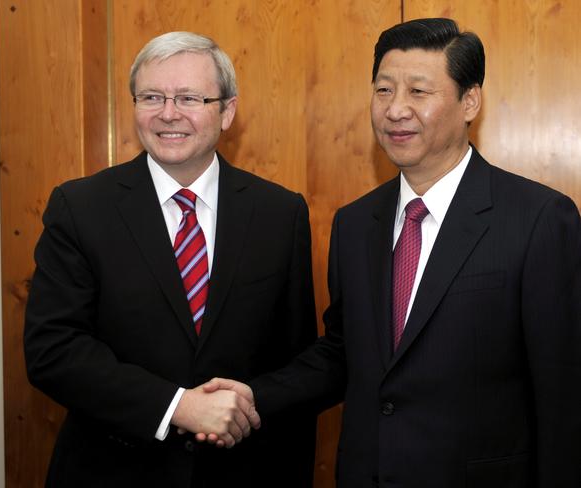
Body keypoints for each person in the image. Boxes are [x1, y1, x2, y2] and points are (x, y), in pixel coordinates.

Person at [204, 18, 581, 487]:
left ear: (470, 101)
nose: (395, 109)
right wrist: (254, 396)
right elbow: (345, 352)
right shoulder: (355, 223)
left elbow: (564, 395)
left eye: (418, 92)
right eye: (383, 90)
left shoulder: (539, 218)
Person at [24, 31, 319, 487]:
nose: (168, 113)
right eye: (152, 97)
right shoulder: (80, 208)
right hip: (113, 470)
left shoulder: (281, 214)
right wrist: (176, 405)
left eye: (188, 98)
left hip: (244, 473)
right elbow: (52, 350)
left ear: (227, 112)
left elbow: (297, 365)